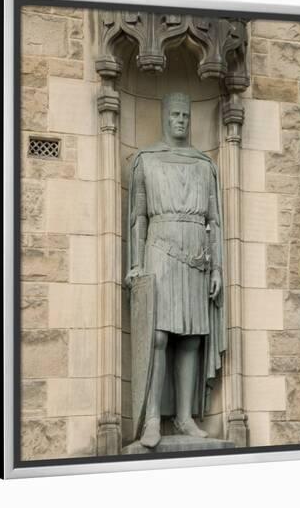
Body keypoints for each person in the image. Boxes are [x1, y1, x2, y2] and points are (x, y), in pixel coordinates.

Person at [125, 92, 226, 448]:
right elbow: (139, 216)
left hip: (197, 255)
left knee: (193, 338)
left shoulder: (203, 165)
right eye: (176, 115)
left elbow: (215, 220)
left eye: (186, 115)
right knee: (158, 336)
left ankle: (184, 417)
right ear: (166, 118)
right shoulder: (146, 161)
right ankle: (152, 418)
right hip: (160, 251)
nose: (181, 120)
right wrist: (136, 264)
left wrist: (218, 269)